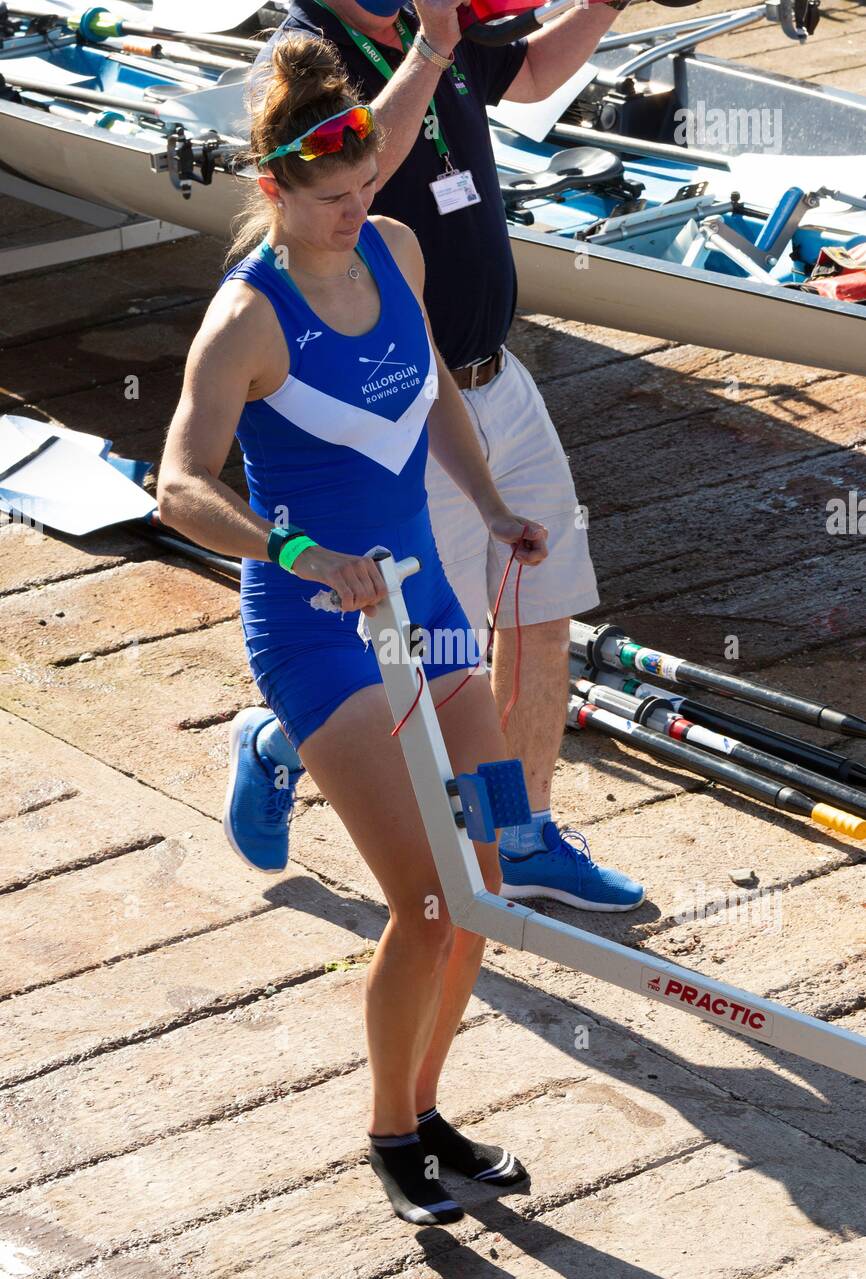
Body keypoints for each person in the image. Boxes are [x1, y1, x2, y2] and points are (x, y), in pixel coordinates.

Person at [158, 32, 551, 1223]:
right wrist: (295, 549)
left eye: (367, 187)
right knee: (426, 903)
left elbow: (430, 389)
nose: (357, 212)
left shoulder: (395, 249)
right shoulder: (245, 321)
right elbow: (177, 485)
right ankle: (389, 1137)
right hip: (319, 632)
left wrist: (490, 507)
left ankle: (427, 1109)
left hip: (427, 613)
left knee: (486, 880)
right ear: (274, 189)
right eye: (334, 198)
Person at [224, 0, 646, 912]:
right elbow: (369, 156)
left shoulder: (436, 27)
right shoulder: (308, 52)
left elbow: (528, 75)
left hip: (498, 377)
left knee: (543, 606)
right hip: (397, 410)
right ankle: (278, 739)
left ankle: (522, 833)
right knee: (417, 656)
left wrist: (605, 5)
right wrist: (429, 46)